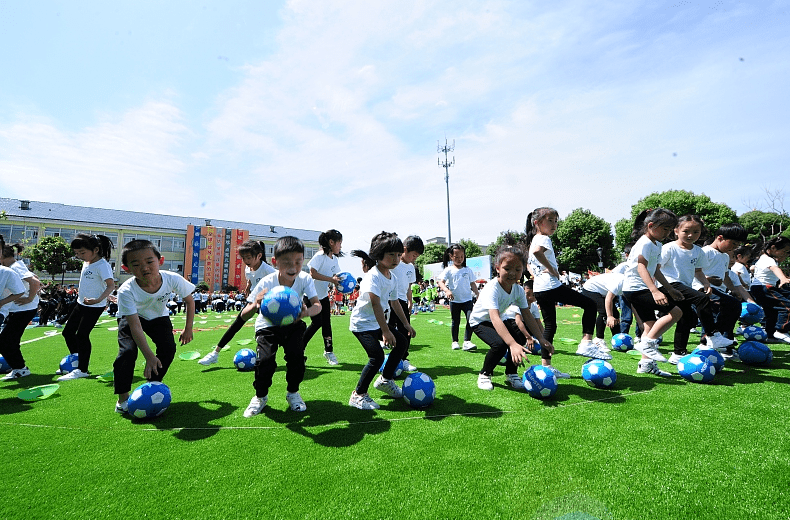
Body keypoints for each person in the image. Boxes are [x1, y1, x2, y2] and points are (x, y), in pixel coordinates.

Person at [241, 236, 321, 417]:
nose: (293, 267)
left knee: (297, 360)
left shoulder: (305, 279)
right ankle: (260, 397)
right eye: (287, 262)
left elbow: (318, 305)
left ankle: (293, 393)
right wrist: (255, 304)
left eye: (298, 262)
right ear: (276, 262)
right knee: (265, 362)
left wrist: (306, 312)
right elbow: (245, 314)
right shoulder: (267, 282)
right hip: (267, 326)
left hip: (293, 323)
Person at [113, 240, 195, 414]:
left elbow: (189, 300)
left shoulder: (172, 278)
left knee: (168, 348)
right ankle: (122, 399)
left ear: (160, 261)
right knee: (127, 353)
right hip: (131, 318)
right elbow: (135, 326)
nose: (145, 268)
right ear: (126, 268)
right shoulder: (126, 290)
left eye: (150, 262)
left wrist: (188, 328)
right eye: (136, 264)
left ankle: (154, 384)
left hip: (158, 316)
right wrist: (149, 356)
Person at [526, 207, 609, 360]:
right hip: (550, 286)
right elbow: (538, 253)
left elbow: (529, 263)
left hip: (540, 288)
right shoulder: (544, 239)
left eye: (556, 221)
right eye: (550, 221)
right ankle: (586, 343)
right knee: (590, 305)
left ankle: (547, 366)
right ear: (537, 223)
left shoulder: (533, 240)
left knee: (550, 326)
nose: (554, 225)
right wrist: (552, 270)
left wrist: (536, 275)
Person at [470, 243, 554, 391]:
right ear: (497, 268)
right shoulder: (492, 288)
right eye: (507, 269)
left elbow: (527, 314)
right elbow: (494, 318)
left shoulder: (518, 290)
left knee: (520, 335)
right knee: (500, 345)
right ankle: (485, 374)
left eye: (517, 269)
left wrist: (540, 338)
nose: (512, 273)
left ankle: (511, 373)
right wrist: (512, 344)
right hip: (480, 321)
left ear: (523, 269)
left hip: (497, 320)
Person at [348, 232, 416, 410]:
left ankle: (385, 380)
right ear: (378, 255)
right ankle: (358, 395)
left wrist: (406, 324)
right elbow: (376, 303)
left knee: (401, 343)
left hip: (377, 323)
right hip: (362, 324)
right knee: (376, 357)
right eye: (391, 255)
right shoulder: (373, 277)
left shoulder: (391, 277)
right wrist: (385, 331)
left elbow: (394, 302)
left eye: (397, 254)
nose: (396, 259)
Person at [659, 215, 735, 364]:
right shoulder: (668, 248)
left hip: (684, 287)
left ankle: (678, 353)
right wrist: (658, 289)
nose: (690, 235)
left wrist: (706, 284)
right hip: (668, 285)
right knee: (702, 298)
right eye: (686, 231)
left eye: (696, 232)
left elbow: (698, 271)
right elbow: (656, 269)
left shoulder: (698, 251)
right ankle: (712, 335)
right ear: (676, 231)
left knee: (686, 318)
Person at [621, 209, 684, 377]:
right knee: (676, 312)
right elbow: (641, 266)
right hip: (636, 289)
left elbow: (655, 270)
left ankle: (646, 364)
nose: (668, 233)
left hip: (638, 288)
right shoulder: (645, 243)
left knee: (649, 324)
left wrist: (669, 288)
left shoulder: (656, 244)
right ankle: (647, 343)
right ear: (650, 225)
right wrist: (655, 290)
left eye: (670, 229)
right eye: (665, 228)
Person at [198, 240, 275, 366]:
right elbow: (251, 279)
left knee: (279, 330)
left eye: (249, 257)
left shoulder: (269, 271)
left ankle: (295, 354)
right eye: (243, 258)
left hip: (268, 303)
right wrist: (248, 289)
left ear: (259, 255)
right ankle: (214, 354)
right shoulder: (247, 268)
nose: (246, 261)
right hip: (254, 300)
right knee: (236, 324)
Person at [58, 234, 116, 381]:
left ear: (96, 250)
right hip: (81, 303)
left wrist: (99, 299)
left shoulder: (102, 265)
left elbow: (111, 285)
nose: (79, 256)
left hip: (94, 306)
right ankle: (78, 361)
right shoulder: (87, 263)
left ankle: (82, 369)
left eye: (82, 253)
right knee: (68, 332)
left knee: (82, 335)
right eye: (77, 253)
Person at [691, 224, 754, 354]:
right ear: (720, 238)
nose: (735, 247)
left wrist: (733, 290)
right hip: (702, 288)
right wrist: (708, 279)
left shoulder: (725, 256)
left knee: (734, 306)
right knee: (718, 311)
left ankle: (716, 339)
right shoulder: (705, 252)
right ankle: (708, 342)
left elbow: (725, 275)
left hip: (717, 290)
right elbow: (694, 271)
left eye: (738, 244)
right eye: (733, 243)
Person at [0, 237, 41, 381]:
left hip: (24, 309)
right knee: (9, 339)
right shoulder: (15, 266)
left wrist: (29, 298)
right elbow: (35, 277)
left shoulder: (15, 267)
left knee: (5, 340)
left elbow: (35, 281)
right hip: (19, 309)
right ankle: (18, 368)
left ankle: (20, 369)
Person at [303, 229, 343, 365]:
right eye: (339, 243)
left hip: (323, 296)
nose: (341, 246)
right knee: (317, 322)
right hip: (310, 295)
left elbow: (336, 277)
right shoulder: (320, 256)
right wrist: (331, 280)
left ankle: (329, 351)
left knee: (326, 323)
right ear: (331, 242)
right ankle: (299, 346)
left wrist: (341, 283)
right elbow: (312, 273)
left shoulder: (334, 259)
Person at [388, 235, 424, 371]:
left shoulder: (410, 268)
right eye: (413, 255)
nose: (414, 259)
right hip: (389, 301)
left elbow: (409, 287)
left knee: (406, 331)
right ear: (404, 249)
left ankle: (403, 359)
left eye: (416, 257)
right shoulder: (393, 263)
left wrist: (410, 301)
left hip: (402, 301)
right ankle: (388, 357)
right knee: (388, 329)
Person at [437, 243, 480, 351]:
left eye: (462, 256)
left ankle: (467, 341)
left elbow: (472, 284)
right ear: (451, 256)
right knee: (455, 321)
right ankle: (455, 341)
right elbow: (440, 282)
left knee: (471, 319)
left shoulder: (467, 270)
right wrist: (447, 290)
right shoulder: (448, 270)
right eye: (457, 257)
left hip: (467, 300)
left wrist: (478, 295)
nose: (460, 259)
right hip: (454, 301)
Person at [750, 236, 790, 344]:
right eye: (785, 251)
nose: (786, 255)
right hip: (764, 287)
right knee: (787, 306)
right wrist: (783, 279)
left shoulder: (765, 259)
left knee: (771, 313)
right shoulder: (768, 259)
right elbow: (775, 269)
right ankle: (781, 330)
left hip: (759, 288)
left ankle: (770, 335)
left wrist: (785, 278)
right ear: (773, 248)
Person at [580, 271, 624, 350]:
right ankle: (598, 339)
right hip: (591, 289)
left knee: (615, 314)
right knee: (604, 312)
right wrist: (609, 316)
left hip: (603, 291)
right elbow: (608, 299)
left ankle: (618, 340)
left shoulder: (632, 285)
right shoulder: (621, 282)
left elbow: (632, 304)